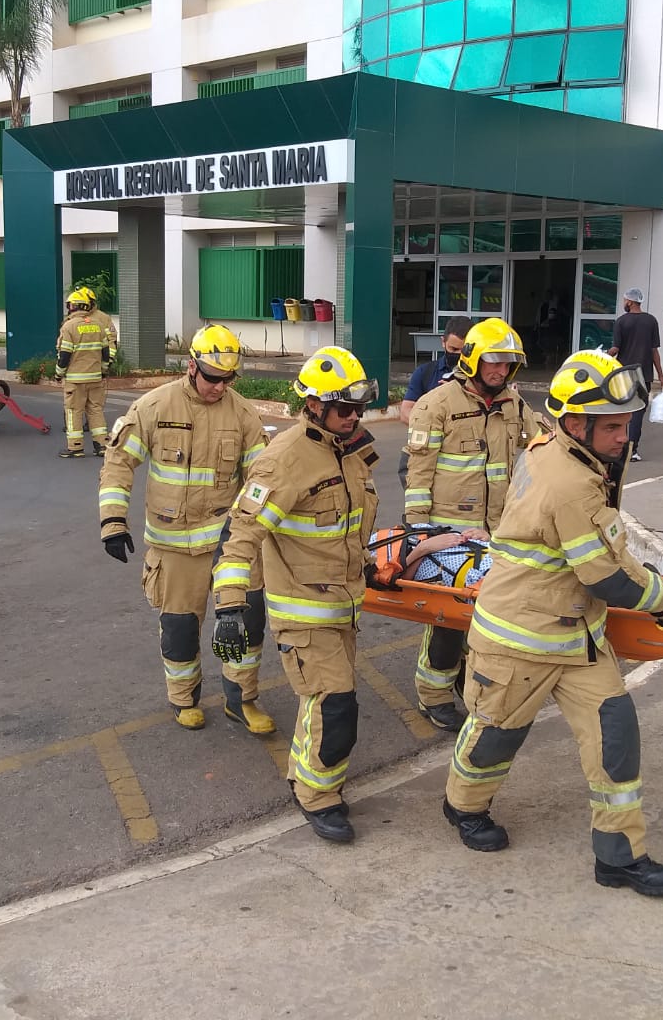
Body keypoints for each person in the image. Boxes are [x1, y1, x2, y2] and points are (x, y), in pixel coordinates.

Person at [442, 349, 663, 897]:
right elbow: (612, 582)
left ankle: (620, 858)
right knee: (493, 741)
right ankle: (464, 808)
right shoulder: (570, 484)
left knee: (615, 738)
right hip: (519, 641)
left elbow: (603, 552)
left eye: (627, 422)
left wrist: (645, 575)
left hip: (578, 637)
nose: (626, 435)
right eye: (614, 425)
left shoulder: (561, 451)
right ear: (576, 423)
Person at [212, 347, 380, 843]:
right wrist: (229, 606)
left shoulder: (348, 449)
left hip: (344, 604)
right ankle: (316, 795)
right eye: (344, 408)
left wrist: (373, 564)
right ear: (314, 405)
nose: (354, 417)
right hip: (304, 613)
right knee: (335, 707)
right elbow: (240, 536)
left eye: (359, 408)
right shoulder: (283, 462)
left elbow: (349, 527)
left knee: (323, 706)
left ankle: (312, 776)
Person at [99, 325, 272, 733]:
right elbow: (119, 463)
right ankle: (183, 699)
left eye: (228, 378)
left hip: (230, 547)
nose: (219, 386)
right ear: (192, 366)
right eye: (213, 377)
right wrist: (112, 521)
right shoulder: (155, 406)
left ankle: (241, 699)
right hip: (173, 547)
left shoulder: (243, 413)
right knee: (179, 629)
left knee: (248, 623)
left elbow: (263, 478)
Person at [402, 318, 536, 730]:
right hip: (447, 538)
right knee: (446, 624)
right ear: (473, 361)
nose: (500, 372)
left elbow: (542, 447)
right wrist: (418, 535)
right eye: (493, 364)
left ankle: (467, 685)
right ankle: (433, 695)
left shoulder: (514, 406)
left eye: (508, 365)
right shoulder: (436, 405)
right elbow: (417, 476)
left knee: (491, 619)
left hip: (495, 533)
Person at [397, 317, 471, 485]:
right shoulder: (425, 373)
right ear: (442, 342)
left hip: (465, 466)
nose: (458, 355)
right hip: (426, 459)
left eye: (463, 350)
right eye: (453, 348)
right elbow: (405, 412)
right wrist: (434, 425)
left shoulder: (480, 381)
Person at [54, 285, 118, 455]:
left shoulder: (69, 326)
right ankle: (102, 445)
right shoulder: (97, 325)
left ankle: (75, 447)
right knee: (95, 410)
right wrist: (104, 370)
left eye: (70, 305)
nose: (69, 308)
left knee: (74, 412)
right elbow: (106, 352)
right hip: (96, 378)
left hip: (76, 380)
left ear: (76, 306)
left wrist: (58, 373)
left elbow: (65, 355)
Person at [609, 287, 663, 463]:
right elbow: (654, 351)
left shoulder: (621, 322)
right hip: (644, 376)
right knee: (638, 413)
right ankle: (633, 451)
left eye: (625, 301)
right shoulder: (651, 321)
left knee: (623, 411)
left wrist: (602, 356)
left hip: (624, 374)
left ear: (630, 302)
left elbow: (616, 349)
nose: (624, 304)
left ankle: (619, 448)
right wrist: (661, 376)